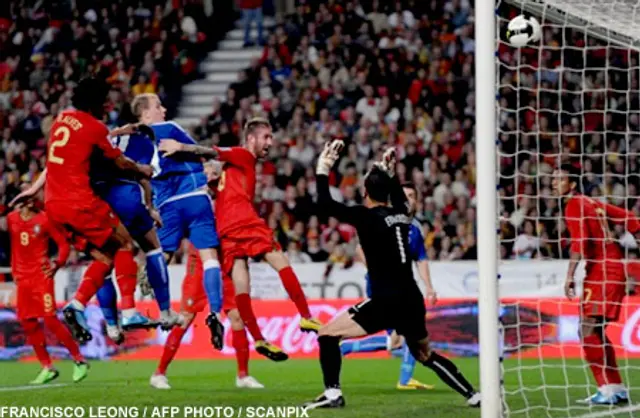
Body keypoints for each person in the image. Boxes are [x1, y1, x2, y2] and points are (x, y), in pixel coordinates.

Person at [303, 141, 480, 409]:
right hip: (411, 299)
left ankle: (332, 394)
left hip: (386, 300)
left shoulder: (364, 216)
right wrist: (390, 171)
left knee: (327, 335)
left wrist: (322, 168)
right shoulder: (401, 214)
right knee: (425, 354)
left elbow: (326, 204)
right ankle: (473, 395)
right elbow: (397, 195)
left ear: (365, 192)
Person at [158, 117, 322, 362]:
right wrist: (182, 147)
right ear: (251, 138)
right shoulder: (243, 155)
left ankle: (258, 338)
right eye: (265, 137)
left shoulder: (225, 173)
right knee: (281, 262)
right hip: (244, 222)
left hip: (225, 232)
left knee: (242, 287)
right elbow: (210, 150)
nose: (270, 142)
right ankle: (306, 315)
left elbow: (213, 177)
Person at [12, 77, 153, 343]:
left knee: (104, 258)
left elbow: (59, 160)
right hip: (79, 202)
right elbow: (120, 162)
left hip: (53, 206)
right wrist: (142, 169)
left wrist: (34, 188)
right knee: (124, 244)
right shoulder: (95, 127)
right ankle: (130, 311)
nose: (109, 105)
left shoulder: (60, 121)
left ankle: (76, 305)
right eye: (106, 100)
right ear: (96, 101)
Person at [131, 93, 224, 350]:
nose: (164, 108)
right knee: (210, 258)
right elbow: (200, 153)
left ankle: (157, 304)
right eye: (158, 106)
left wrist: (149, 207)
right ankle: (215, 312)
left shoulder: (134, 144)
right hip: (194, 196)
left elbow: (139, 178)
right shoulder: (169, 128)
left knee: (163, 255)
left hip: (166, 205)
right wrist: (187, 150)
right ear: (146, 114)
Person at [340, 182, 437, 390]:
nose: (409, 199)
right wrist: (377, 271)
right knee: (403, 337)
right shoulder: (384, 219)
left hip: (401, 288)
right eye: (405, 195)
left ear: (417, 201)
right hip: (382, 287)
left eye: (412, 195)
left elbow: (421, 259)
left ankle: (349, 348)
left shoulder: (415, 228)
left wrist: (428, 286)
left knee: (404, 337)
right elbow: (360, 248)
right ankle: (403, 378)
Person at [555, 163, 638, 405]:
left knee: (587, 329)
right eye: (553, 178)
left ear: (571, 184)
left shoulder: (573, 204)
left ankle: (606, 388)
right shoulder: (591, 202)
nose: (553, 183)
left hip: (601, 271)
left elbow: (579, 243)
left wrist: (569, 275)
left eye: (559, 179)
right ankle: (616, 388)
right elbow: (629, 217)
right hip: (610, 269)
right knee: (596, 330)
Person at [92, 126, 181, 343]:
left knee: (103, 260)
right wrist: (150, 206)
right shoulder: (144, 143)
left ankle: (112, 326)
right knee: (153, 246)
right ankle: (165, 311)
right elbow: (144, 176)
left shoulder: (103, 137)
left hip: (95, 199)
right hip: (125, 194)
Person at [150, 244, 264, 390]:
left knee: (237, 317)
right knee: (186, 317)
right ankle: (159, 373)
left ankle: (243, 375)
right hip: (200, 263)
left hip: (226, 261)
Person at [7, 191, 88, 384]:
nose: (33, 199)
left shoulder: (44, 219)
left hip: (42, 277)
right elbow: (14, 245)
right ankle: (47, 367)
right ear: (21, 200)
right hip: (23, 279)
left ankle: (79, 360)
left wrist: (56, 263)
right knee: (28, 323)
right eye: (29, 197)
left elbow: (63, 245)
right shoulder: (11, 219)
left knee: (50, 319)